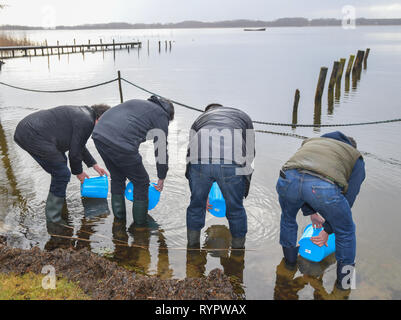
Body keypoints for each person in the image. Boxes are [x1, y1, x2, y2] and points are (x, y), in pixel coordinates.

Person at [276, 131, 366, 290]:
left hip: (286, 178)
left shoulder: (312, 142)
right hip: (322, 187)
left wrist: (311, 213)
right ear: (350, 148)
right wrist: (327, 230)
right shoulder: (355, 157)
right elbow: (348, 200)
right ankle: (344, 286)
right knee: (346, 231)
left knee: (288, 219)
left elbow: (300, 177)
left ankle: (289, 266)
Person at [14, 104, 110, 224]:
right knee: (62, 173)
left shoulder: (85, 115)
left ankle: (61, 205)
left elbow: (78, 145)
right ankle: (54, 220)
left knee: (60, 164)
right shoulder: (87, 121)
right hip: (32, 134)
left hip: (27, 130)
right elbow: (74, 153)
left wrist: (95, 165)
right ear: (100, 118)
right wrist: (79, 172)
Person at [92, 96, 174, 227]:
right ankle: (140, 227)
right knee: (141, 182)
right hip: (120, 143)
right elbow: (161, 149)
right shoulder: (161, 115)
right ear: (168, 115)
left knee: (118, 177)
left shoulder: (138, 103)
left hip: (99, 135)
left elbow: (129, 129)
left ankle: (118, 222)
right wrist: (161, 177)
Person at [185, 103, 255, 249]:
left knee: (195, 207)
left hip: (199, 160)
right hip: (232, 161)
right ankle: (238, 251)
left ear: (208, 111)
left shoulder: (200, 119)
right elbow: (250, 154)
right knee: (236, 209)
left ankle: (192, 248)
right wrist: (242, 190)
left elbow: (190, 152)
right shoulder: (242, 115)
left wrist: (199, 195)